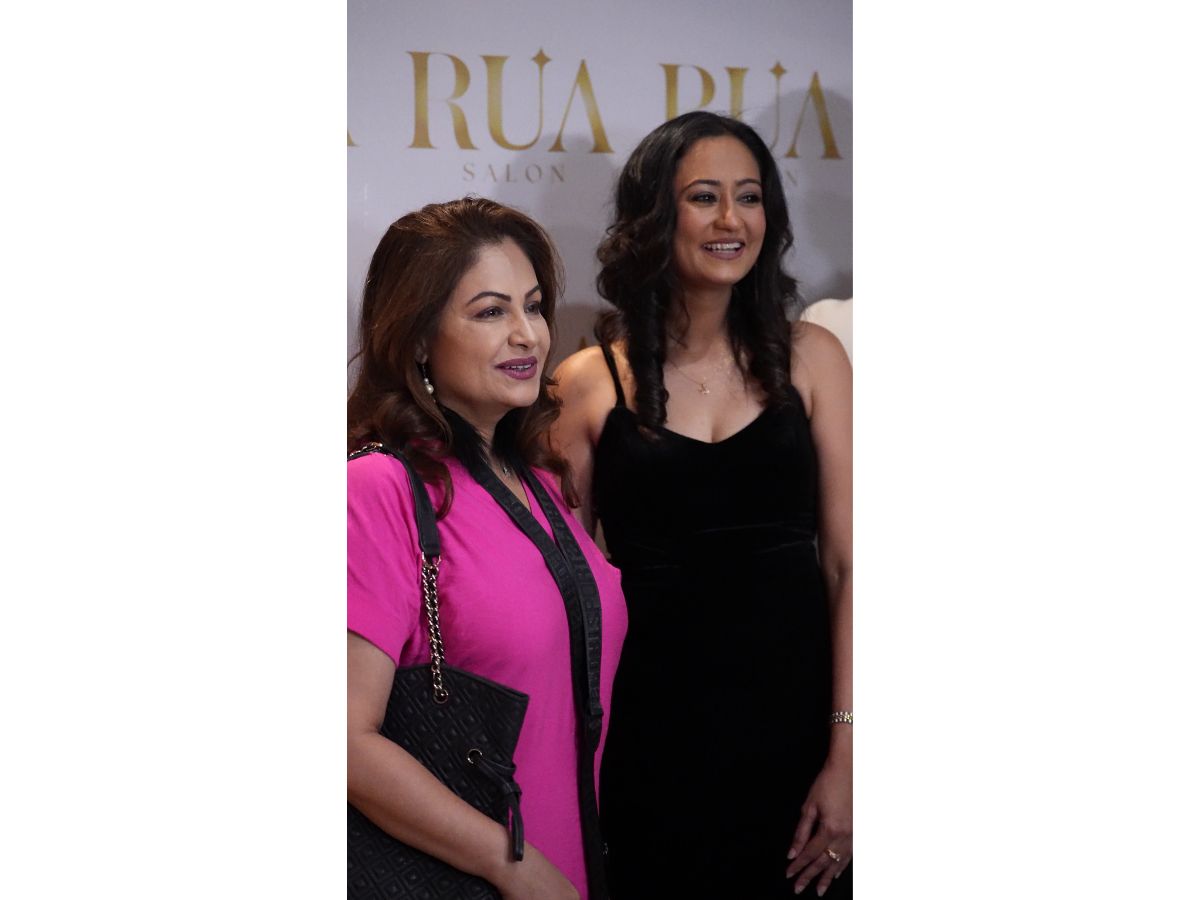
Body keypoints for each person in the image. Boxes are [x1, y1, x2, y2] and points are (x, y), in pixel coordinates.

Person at [550, 112, 853, 898]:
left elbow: (851, 567)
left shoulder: (814, 358)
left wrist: (850, 751)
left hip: (800, 740)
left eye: (749, 197)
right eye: (705, 197)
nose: (731, 220)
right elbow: (563, 596)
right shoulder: (587, 383)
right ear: (656, 216)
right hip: (650, 743)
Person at [347, 197, 628, 900]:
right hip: (481, 878)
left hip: (574, 863)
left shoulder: (540, 480)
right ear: (417, 338)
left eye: (532, 307)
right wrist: (513, 865)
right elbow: (343, 738)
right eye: (490, 312)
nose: (527, 334)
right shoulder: (379, 487)